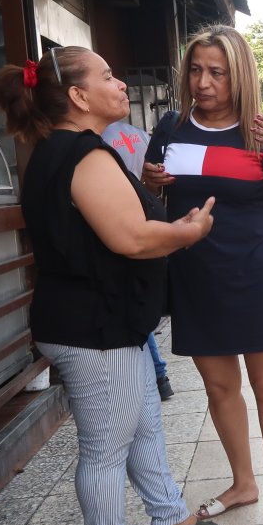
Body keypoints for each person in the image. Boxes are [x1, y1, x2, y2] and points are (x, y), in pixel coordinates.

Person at [0, 47, 221, 525]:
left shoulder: (64, 150)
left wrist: (172, 227)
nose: (119, 85)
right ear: (78, 96)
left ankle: (170, 516)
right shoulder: (81, 153)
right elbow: (130, 238)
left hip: (106, 321)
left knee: (142, 425)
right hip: (93, 327)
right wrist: (189, 232)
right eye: (108, 76)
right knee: (105, 450)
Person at [142, 25, 263, 525]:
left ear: (239, 76)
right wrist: (150, 183)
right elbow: (153, 200)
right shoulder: (170, 126)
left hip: (255, 266)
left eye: (217, 72)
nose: (204, 82)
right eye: (196, 70)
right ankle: (243, 483)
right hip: (196, 269)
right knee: (218, 386)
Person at [102, 120, 175, 401]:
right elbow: (154, 176)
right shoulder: (140, 136)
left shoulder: (101, 139)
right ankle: (157, 374)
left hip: (121, 219)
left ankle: (156, 373)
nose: (119, 86)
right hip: (146, 210)